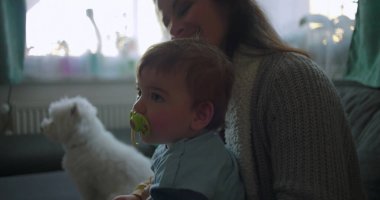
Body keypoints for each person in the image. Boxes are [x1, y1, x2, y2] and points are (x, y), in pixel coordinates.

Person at [144, 0, 365, 200]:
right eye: (166, 21)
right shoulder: (205, 96)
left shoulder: (294, 81)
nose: (173, 28)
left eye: (183, 9)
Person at [114, 38, 245, 200]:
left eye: (156, 96)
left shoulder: (184, 167)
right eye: (140, 92)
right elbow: (157, 181)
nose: (137, 107)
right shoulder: (190, 145)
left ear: (200, 115)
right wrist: (139, 196)